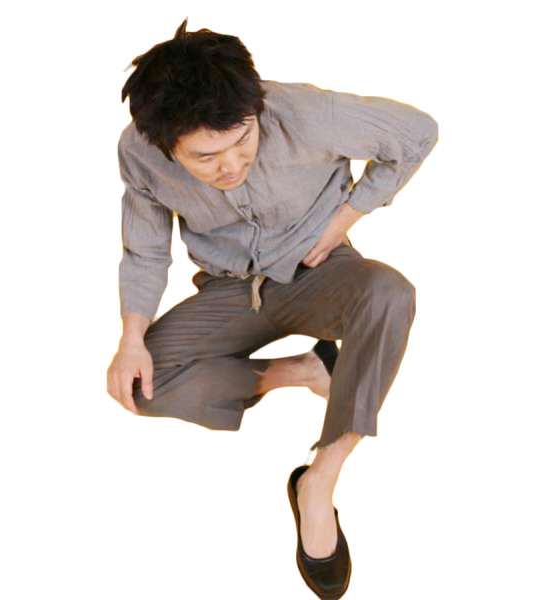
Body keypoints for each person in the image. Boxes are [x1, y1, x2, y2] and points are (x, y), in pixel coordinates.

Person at [107, 17, 438, 599]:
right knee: (139, 387)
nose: (232, 165)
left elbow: (417, 132)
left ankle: (319, 482)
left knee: (390, 292)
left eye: (244, 140)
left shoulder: (301, 111)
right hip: (230, 288)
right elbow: (146, 248)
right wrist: (130, 339)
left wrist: (347, 216)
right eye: (206, 157)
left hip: (318, 271)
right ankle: (307, 370)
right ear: (164, 144)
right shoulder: (139, 153)